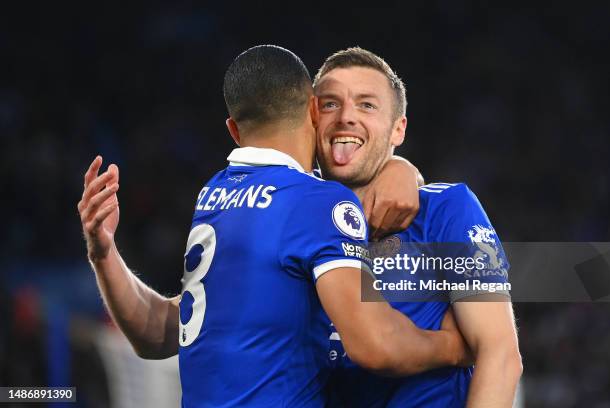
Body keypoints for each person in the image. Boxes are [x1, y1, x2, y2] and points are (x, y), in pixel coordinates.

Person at [77, 45, 471, 407]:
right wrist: (452, 346)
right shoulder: (318, 202)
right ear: (314, 112)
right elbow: (375, 346)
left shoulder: (214, 196)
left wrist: (104, 253)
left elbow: (157, 335)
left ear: (233, 129)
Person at [313, 47, 522, 407]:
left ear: (398, 129)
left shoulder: (445, 210)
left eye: (366, 105)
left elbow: (500, 355)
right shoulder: (290, 214)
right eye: (330, 104)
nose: (346, 116)